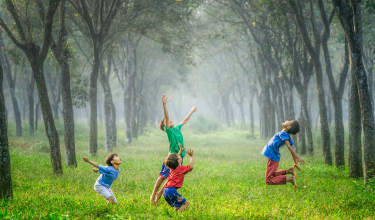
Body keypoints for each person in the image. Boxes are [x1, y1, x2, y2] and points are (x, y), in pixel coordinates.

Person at [150, 94, 197, 205]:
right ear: (164, 126)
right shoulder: (169, 131)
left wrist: (191, 111)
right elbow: (167, 117)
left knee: (172, 177)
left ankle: (159, 195)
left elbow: (185, 120)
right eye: (167, 121)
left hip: (180, 157)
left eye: (170, 120)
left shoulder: (176, 128)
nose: (170, 121)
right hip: (172, 158)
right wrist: (164, 104)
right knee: (163, 176)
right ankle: (153, 194)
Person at [261, 120, 304, 190]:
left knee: (268, 180)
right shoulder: (285, 135)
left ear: (288, 127)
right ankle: (289, 171)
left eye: (289, 121)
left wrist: (297, 158)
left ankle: (290, 179)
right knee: (272, 175)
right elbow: (291, 148)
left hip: (273, 156)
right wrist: (295, 162)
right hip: (273, 156)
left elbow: (289, 147)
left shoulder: (284, 134)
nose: (287, 120)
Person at [163, 147, 194, 212]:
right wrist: (191, 156)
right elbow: (191, 167)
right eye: (179, 156)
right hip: (171, 191)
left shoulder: (172, 168)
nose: (180, 156)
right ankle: (177, 216)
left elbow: (174, 160)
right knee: (186, 203)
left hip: (165, 191)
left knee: (179, 205)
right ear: (178, 161)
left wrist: (179, 152)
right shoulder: (180, 169)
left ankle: (173, 215)